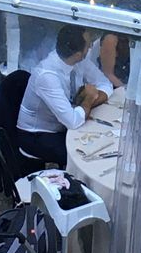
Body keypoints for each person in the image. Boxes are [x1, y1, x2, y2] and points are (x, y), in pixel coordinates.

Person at [14, 24, 106, 172]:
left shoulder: (77, 61)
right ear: (78, 54)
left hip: (62, 124)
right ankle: (76, 191)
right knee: (86, 157)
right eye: (88, 46)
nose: (90, 49)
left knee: (98, 139)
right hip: (37, 135)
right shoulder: (47, 76)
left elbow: (104, 83)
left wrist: (94, 97)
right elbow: (72, 121)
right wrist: (88, 98)